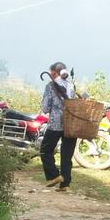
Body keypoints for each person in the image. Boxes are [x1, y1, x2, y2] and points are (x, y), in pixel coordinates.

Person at [40, 61, 78, 192]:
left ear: (55, 73)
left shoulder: (50, 86)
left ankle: (54, 176)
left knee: (45, 150)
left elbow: (45, 108)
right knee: (67, 154)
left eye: (51, 72)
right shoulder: (71, 85)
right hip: (70, 124)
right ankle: (65, 184)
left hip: (55, 124)